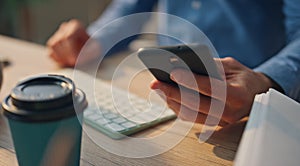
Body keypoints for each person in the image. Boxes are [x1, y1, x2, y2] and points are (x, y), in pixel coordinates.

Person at [47, 0, 300, 125]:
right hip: (161, 96)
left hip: (257, 113)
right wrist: (94, 41)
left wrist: (266, 80)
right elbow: (132, 6)